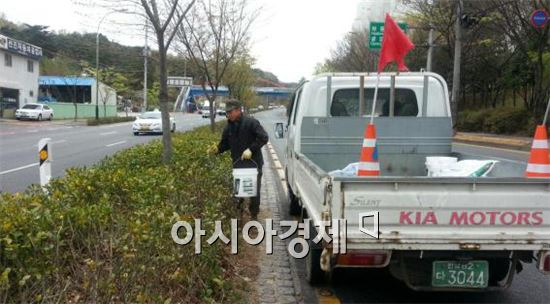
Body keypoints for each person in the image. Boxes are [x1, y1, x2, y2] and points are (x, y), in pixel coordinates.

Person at [209, 99, 269, 220]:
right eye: (227, 112)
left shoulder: (251, 123)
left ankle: (254, 216)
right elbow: (225, 144)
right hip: (238, 166)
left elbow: (263, 137)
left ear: (238, 110)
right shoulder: (228, 128)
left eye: (230, 112)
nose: (228, 114)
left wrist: (251, 150)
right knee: (239, 191)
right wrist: (217, 149)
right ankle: (239, 216)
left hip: (254, 165)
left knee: (253, 191)